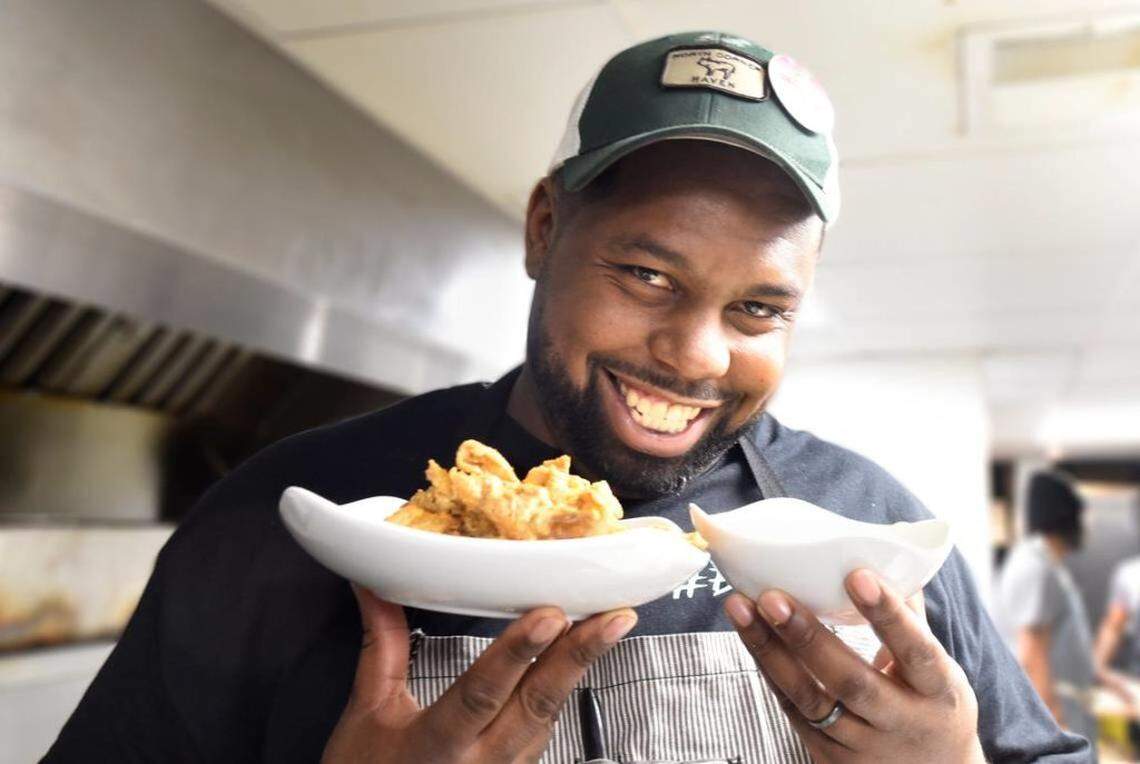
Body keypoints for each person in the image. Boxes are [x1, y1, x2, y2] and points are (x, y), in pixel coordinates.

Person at [46, 32, 1089, 762]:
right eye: (646, 276)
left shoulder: (868, 536)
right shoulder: (296, 516)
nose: (695, 354)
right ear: (546, 227)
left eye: (760, 310)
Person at [995, 471, 1098, 749]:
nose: (1088, 524)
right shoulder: (1035, 566)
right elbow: (1032, 650)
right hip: (1055, 710)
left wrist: (1105, 677)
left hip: (1069, 703)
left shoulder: (1049, 563)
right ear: (1065, 514)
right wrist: (1053, 727)